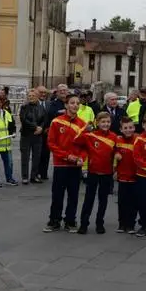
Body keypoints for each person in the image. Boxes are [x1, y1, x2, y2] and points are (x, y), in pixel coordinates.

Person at [43, 94, 87, 233]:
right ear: (66, 105)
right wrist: (67, 156)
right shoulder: (56, 122)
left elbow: (86, 146)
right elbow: (51, 143)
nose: (75, 105)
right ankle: (54, 220)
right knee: (57, 194)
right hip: (60, 165)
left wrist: (81, 158)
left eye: (77, 103)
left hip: (75, 166)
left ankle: (70, 221)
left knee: (73, 195)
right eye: (72, 103)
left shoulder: (82, 124)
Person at [79, 111, 118, 234]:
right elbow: (77, 141)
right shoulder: (90, 135)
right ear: (97, 122)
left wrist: (116, 162)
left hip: (107, 173)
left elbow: (117, 151)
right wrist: (84, 129)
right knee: (89, 199)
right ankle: (84, 223)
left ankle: (99, 222)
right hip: (93, 172)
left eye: (108, 122)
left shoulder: (114, 137)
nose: (105, 124)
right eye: (103, 122)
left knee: (103, 199)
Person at [114, 116, 138, 233]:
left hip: (135, 176)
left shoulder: (138, 140)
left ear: (134, 128)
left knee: (133, 202)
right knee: (122, 201)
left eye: (130, 127)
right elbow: (112, 153)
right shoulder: (117, 140)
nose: (128, 130)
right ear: (121, 129)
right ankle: (121, 223)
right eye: (125, 128)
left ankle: (131, 224)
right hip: (122, 177)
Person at [19, 89, 47, 185]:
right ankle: (25, 177)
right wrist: (36, 127)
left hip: (38, 135)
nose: (31, 97)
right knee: (25, 157)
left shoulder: (41, 107)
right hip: (26, 135)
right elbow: (23, 119)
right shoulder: (24, 107)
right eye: (29, 96)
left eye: (33, 95)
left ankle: (34, 176)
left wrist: (41, 128)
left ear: (37, 96)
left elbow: (44, 119)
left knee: (37, 157)